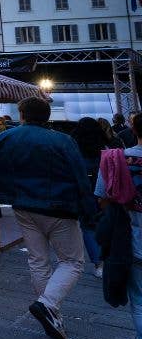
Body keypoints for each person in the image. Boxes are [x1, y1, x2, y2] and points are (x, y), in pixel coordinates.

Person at [0, 96, 96, 339]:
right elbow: (80, 176)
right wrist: (89, 211)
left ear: (22, 114)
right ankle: (48, 304)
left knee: (38, 259)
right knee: (72, 261)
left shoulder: (5, 137)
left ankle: (49, 309)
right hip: (59, 206)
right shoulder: (62, 140)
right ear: (47, 116)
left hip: (22, 205)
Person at [93, 114, 142, 339]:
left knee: (140, 301)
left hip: (130, 240)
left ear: (133, 129)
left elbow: (102, 199)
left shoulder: (114, 160)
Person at [69, 117, 108, 277]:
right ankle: (110, 259)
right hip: (106, 194)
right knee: (107, 225)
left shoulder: (74, 148)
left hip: (84, 195)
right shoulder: (105, 148)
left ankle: (99, 264)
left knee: (88, 228)